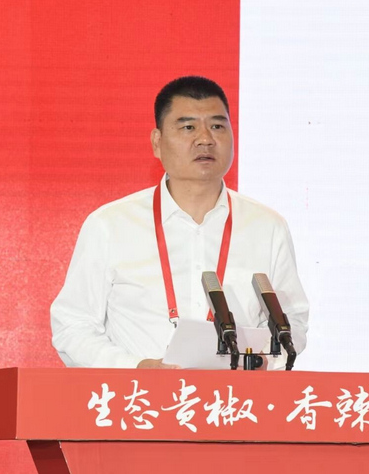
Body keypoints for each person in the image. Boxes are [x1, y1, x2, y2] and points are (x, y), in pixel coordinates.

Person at [50, 76, 308, 369]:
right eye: (188, 127)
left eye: (217, 126)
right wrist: (135, 367)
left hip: (236, 395)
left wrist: (261, 363)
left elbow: (293, 321)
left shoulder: (267, 227)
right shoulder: (110, 225)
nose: (205, 139)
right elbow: (73, 325)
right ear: (157, 142)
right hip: (138, 394)